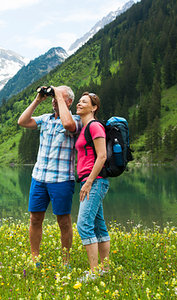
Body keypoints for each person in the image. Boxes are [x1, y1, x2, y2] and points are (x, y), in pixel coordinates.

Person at [17, 85, 81, 267]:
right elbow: (22, 121)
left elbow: (68, 125)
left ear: (69, 101)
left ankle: (66, 260)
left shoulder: (76, 120)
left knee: (63, 221)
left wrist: (59, 96)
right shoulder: (45, 119)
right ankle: (35, 258)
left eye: (59, 97)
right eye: (53, 97)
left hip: (61, 179)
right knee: (35, 219)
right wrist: (38, 99)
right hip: (39, 177)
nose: (54, 99)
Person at [75, 92, 110, 281]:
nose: (79, 104)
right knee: (98, 225)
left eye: (84, 102)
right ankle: (104, 269)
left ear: (94, 107)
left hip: (94, 181)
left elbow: (102, 156)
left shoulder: (95, 126)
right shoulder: (84, 127)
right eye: (79, 101)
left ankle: (94, 272)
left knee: (84, 225)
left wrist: (88, 182)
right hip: (90, 180)